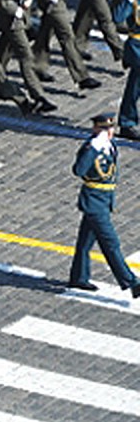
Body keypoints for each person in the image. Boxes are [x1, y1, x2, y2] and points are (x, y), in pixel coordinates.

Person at [69, 114, 140, 296]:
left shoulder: (110, 145)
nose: (109, 132)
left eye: (110, 129)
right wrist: (93, 148)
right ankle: (132, 282)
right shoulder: (91, 147)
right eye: (104, 129)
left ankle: (78, 277)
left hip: (104, 200)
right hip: (93, 202)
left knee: (85, 242)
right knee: (111, 243)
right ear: (96, 130)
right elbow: (79, 170)